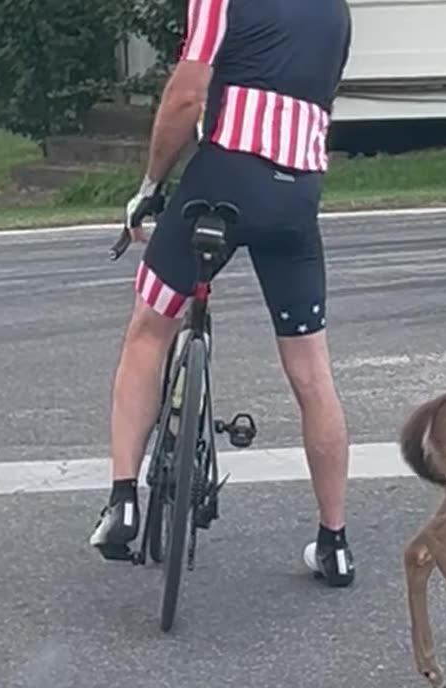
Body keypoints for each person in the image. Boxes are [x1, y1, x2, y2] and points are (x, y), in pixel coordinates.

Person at [88, 0, 356, 588]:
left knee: (149, 328)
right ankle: (335, 542)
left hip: (225, 181)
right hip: (296, 197)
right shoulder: (336, 12)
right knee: (312, 372)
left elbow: (187, 95)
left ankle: (123, 499)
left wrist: (151, 186)